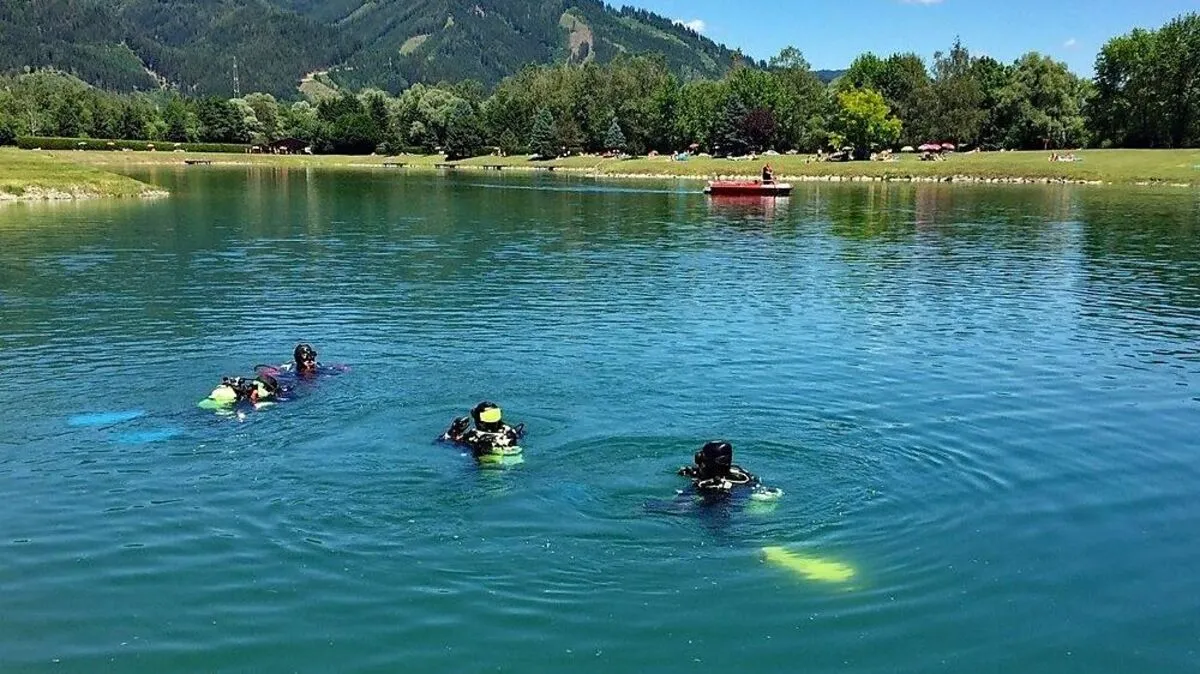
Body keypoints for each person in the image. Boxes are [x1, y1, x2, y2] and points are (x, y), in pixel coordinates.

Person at [439, 401, 525, 459]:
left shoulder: (474, 437)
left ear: (480, 422)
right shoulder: (512, 432)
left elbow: (442, 442)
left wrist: (453, 431)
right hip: (514, 459)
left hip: (489, 466)